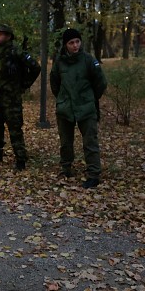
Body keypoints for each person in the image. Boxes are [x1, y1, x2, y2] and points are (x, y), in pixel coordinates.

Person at [50, 29, 107, 189]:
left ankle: (93, 174)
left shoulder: (88, 60)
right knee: (65, 142)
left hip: (86, 107)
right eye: (71, 43)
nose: (75, 45)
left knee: (90, 141)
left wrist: (90, 98)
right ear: (65, 45)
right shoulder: (59, 62)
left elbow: (100, 82)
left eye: (77, 41)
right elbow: (54, 82)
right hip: (65, 108)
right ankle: (66, 168)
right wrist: (62, 98)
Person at [0, 24, 40, 170]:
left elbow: (35, 67)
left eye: (1, 34)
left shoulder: (17, 51)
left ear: (9, 36)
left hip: (12, 97)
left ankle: (21, 158)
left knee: (15, 128)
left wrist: (24, 85)